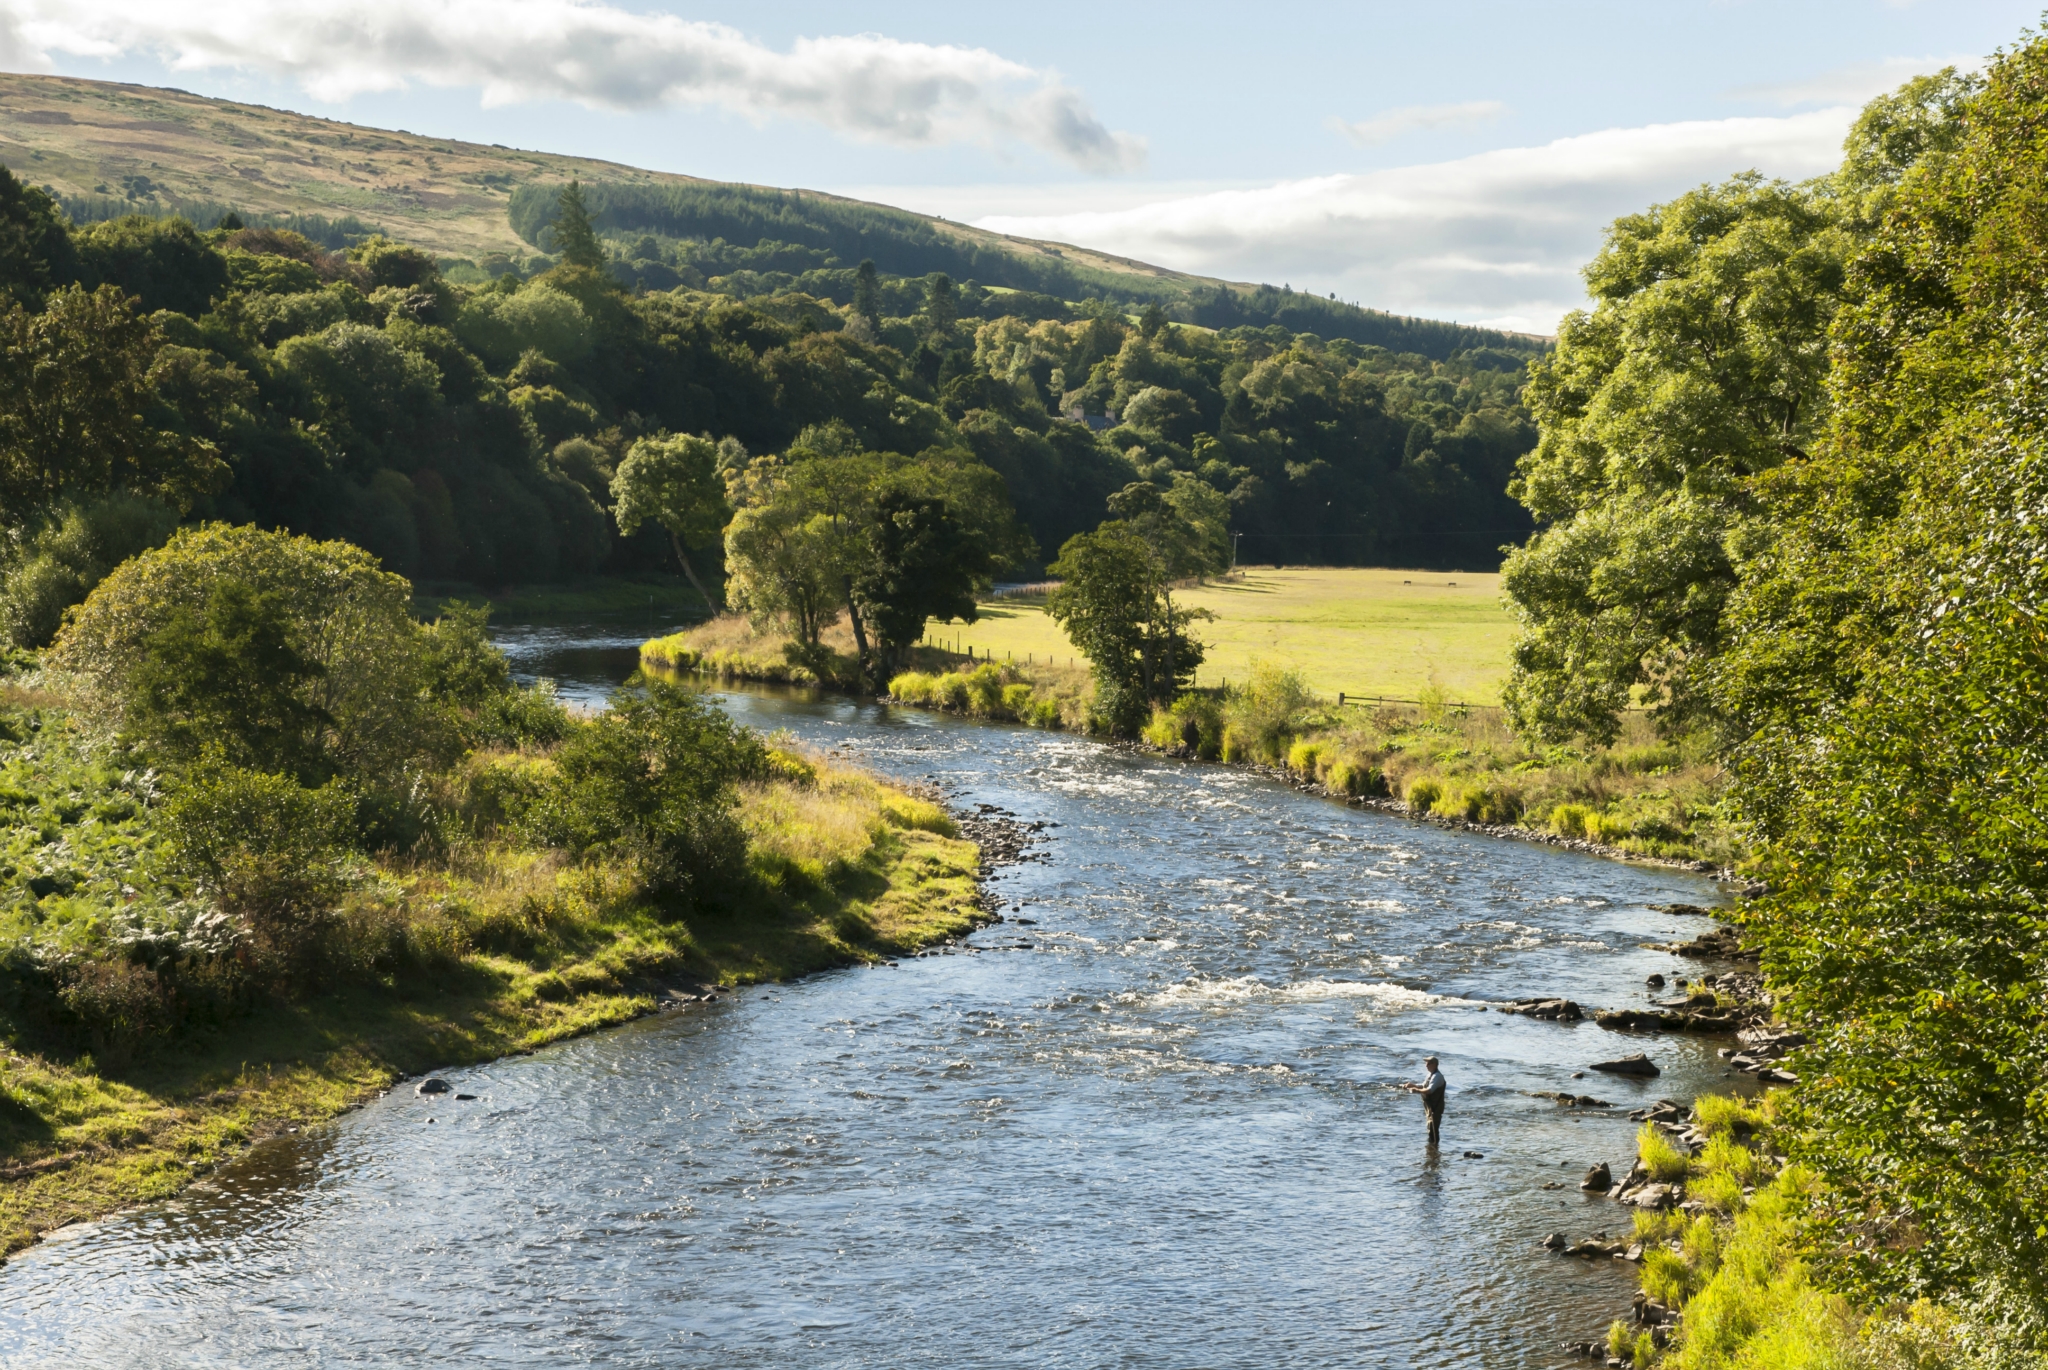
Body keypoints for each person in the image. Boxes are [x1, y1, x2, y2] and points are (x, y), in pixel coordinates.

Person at [1399, 1056, 1447, 1147]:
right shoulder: (1430, 1075)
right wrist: (1411, 1085)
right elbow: (1423, 1086)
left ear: (1435, 1065)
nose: (1426, 1065)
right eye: (1426, 1063)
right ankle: (1432, 1150)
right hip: (1430, 1107)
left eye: (1429, 1063)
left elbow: (1429, 1090)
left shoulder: (1437, 1076)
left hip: (1435, 1107)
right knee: (1430, 1128)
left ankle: (1435, 1150)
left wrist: (1416, 1090)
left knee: (1433, 1129)